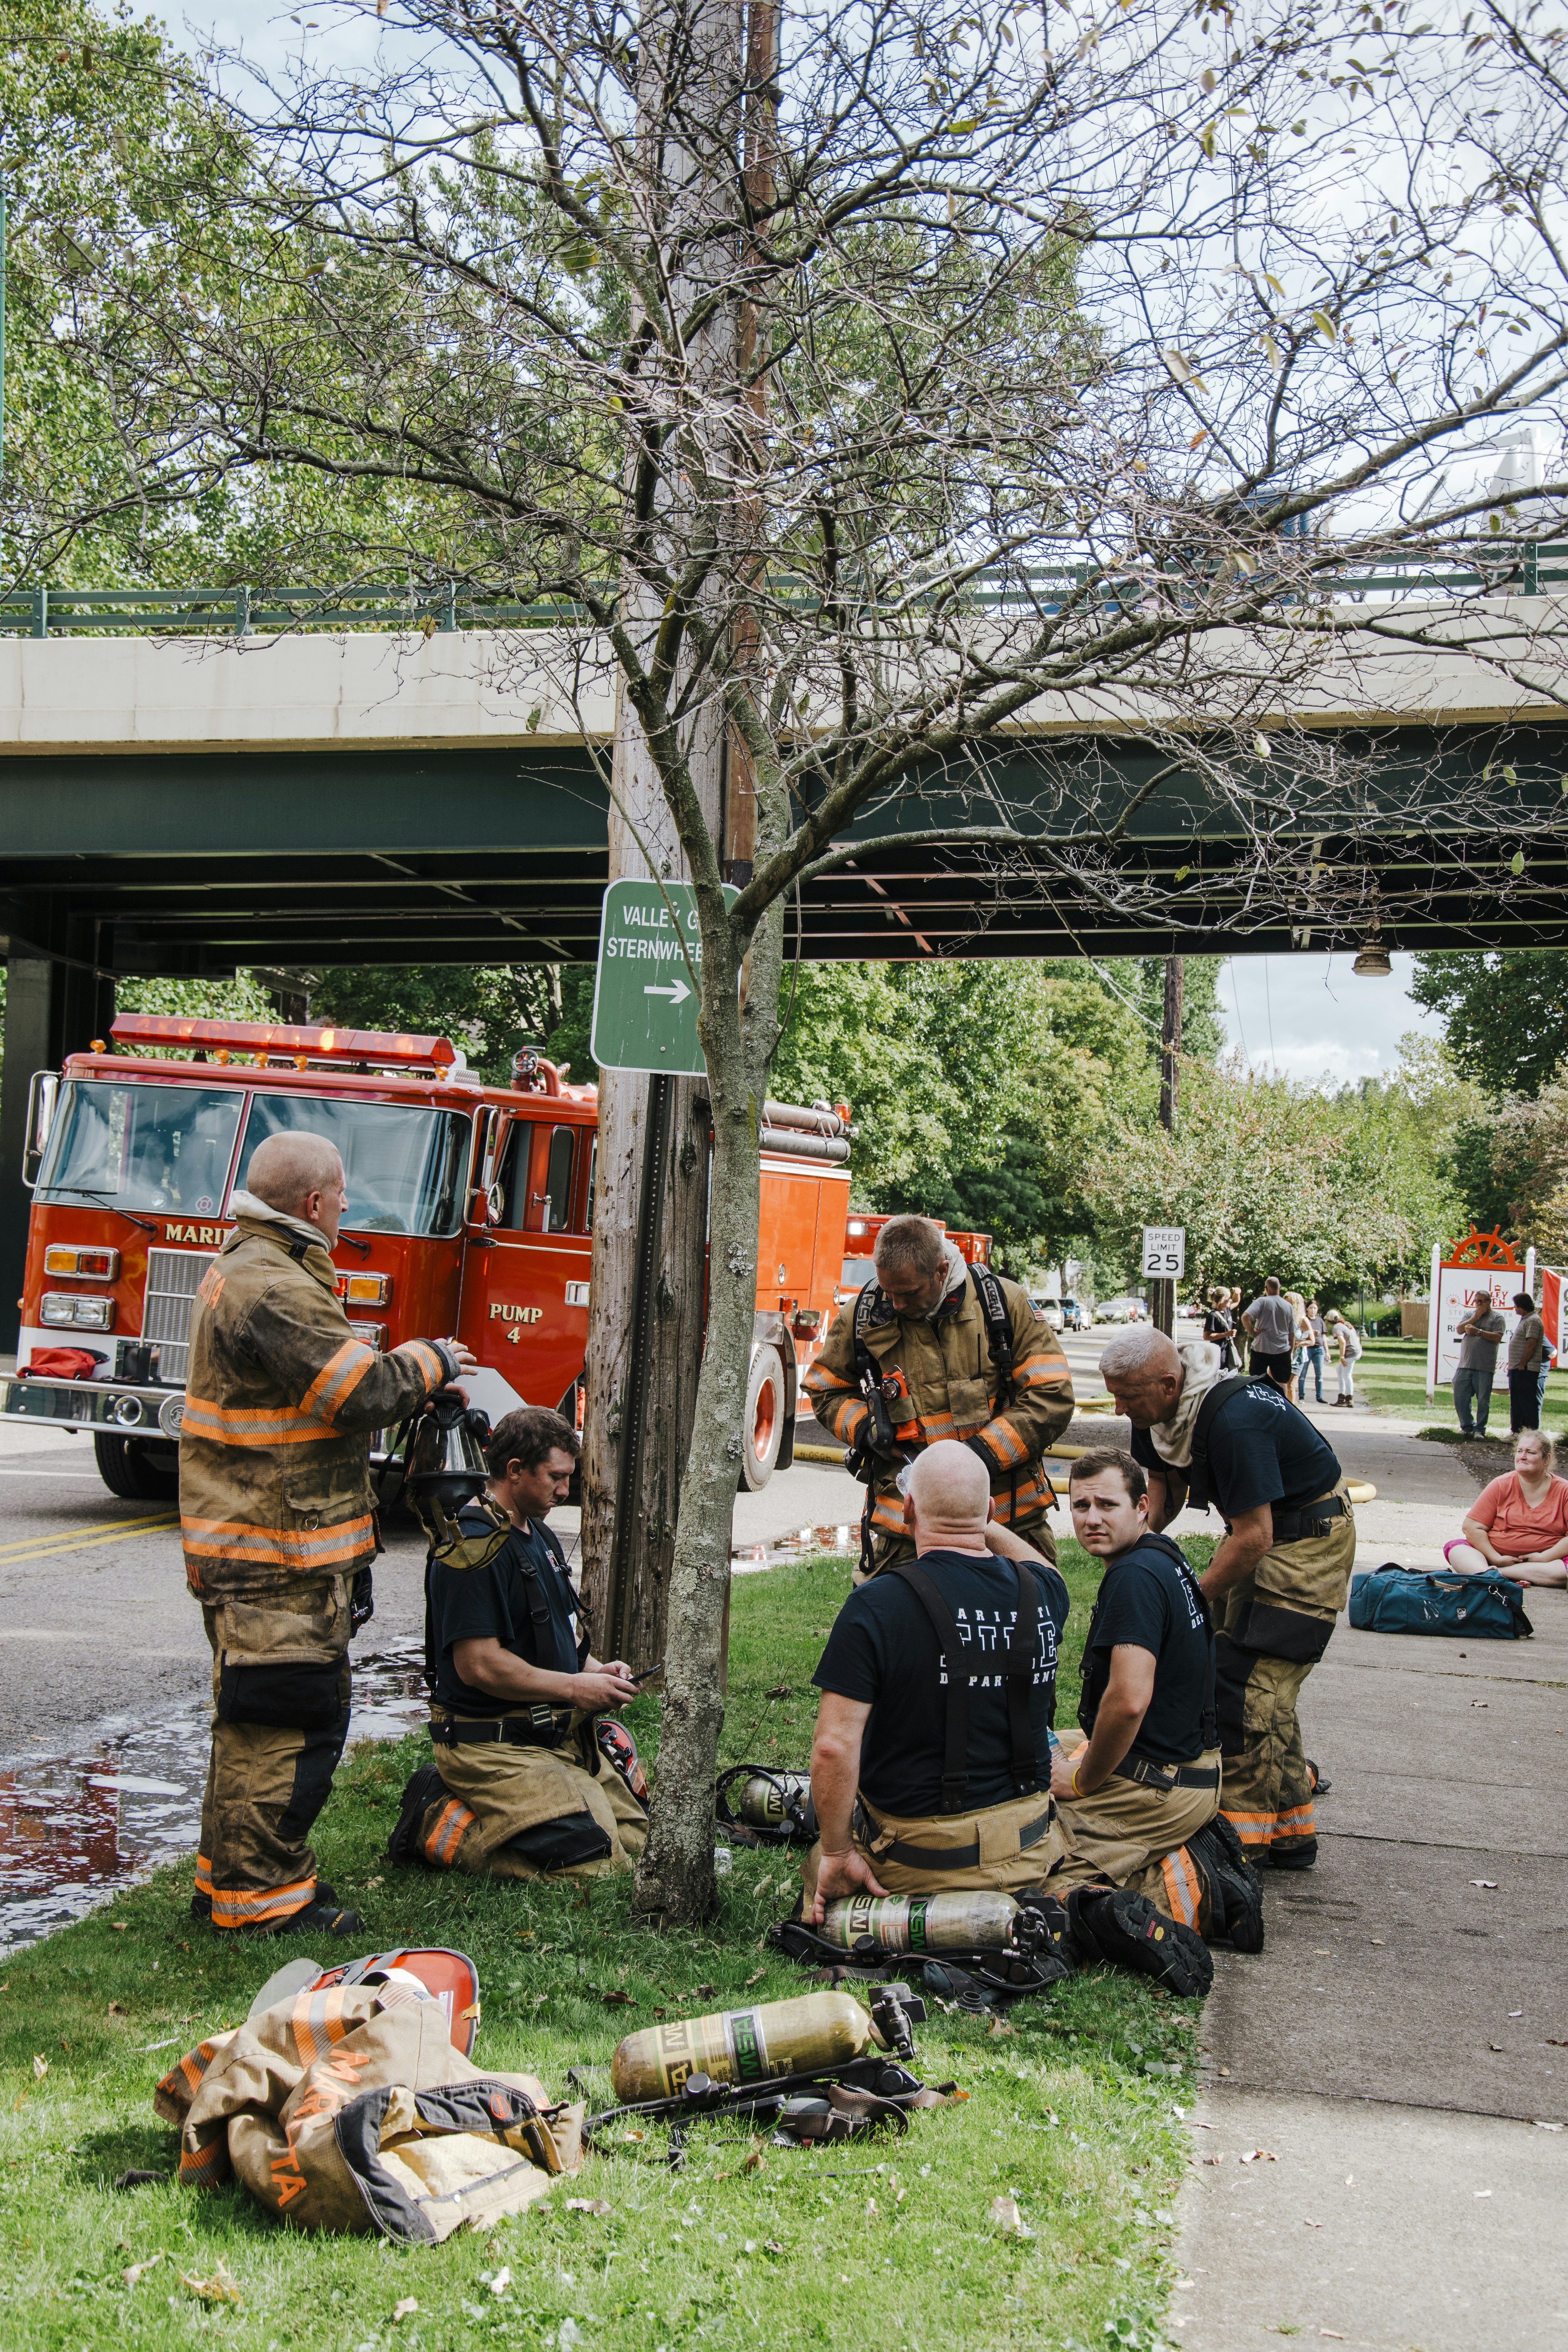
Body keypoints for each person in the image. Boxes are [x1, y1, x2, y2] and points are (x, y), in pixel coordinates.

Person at [181, 1131, 475, 1937]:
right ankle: (264, 1903)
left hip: (265, 1550)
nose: (347, 1208)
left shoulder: (257, 1268)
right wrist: (431, 1361)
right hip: (273, 1557)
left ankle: (228, 1886)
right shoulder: (273, 1286)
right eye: (342, 1196)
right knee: (284, 1726)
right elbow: (359, 1392)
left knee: (252, 1728)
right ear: (313, 1204)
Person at [802, 1440, 1211, 1996]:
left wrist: (835, 1853)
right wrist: (977, 1521)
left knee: (818, 1869)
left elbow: (833, 1747)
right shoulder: (1040, 1592)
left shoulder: (876, 1605)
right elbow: (1042, 1566)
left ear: (909, 1512)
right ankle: (1104, 1895)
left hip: (922, 1857)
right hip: (1028, 1848)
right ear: (991, 1513)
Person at [1098, 1327, 1355, 1871]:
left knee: (1249, 1689)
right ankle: (1290, 1833)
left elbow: (1255, 1536)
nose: (1119, 1408)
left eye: (1128, 1396)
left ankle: (1236, 1852)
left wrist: (1186, 1600)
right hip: (1260, 1531)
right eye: (1113, 1394)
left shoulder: (1235, 1420)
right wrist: (1134, 1562)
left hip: (1308, 1540)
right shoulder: (1155, 1414)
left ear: (1170, 1383)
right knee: (1240, 1673)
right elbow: (1163, 1497)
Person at [393, 1408, 651, 1878]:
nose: (563, 1490)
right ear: (514, 1471)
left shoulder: (539, 1533)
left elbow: (557, 1633)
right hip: (491, 1747)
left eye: (567, 1478)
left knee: (644, 1845)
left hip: (553, 1737)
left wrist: (596, 1671)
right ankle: (432, 1818)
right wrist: (574, 1689)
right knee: (595, 1868)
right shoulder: (470, 1548)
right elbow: (480, 1666)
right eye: (555, 1477)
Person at [1051, 1451, 1263, 1951]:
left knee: (1030, 1863)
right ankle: (1176, 1852)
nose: (1091, 1518)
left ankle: (1200, 1890)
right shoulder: (1158, 1555)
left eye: (1107, 1504)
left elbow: (1127, 1701)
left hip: (1162, 1784)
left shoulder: (1134, 1580)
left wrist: (1082, 1780)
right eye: (1080, 1506)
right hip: (1184, 1765)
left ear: (1142, 1505)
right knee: (1018, 1757)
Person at [804, 1214, 1073, 1579]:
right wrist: (869, 1429)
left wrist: (975, 1459)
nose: (896, 1304)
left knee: (1018, 1632)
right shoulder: (864, 1315)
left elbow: (1051, 1395)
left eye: (909, 1293)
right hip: (906, 1534)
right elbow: (825, 1389)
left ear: (941, 1270)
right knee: (900, 1634)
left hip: (1008, 1523)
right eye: (889, 1291)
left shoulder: (1003, 1305)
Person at [1443, 1429, 1568, 1587]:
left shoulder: (1564, 1490)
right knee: (1456, 1549)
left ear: (1546, 1459)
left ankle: (1494, 1575)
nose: (1522, 1456)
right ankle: (1491, 1572)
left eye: (1530, 1452)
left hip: (1546, 1563)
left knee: (1565, 1571)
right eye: (1520, 1451)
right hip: (1495, 1558)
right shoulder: (1501, 1484)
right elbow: (1472, 1527)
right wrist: (1496, 1558)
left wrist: (1544, 1557)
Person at [1452, 1294, 1506, 1438]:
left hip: (1484, 1366)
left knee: (1483, 1400)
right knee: (1460, 1395)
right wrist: (1476, 1317)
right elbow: (1459, 1330)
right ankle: (1467, 1426)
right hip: (1465, 1363)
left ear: (1490, 1302)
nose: (1479, 1304)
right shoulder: (1470, 1315)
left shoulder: (1497, 1318)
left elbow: (1497, 1337)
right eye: (1477, 1301)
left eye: (1483, 1301)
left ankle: (1479, 1430)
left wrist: (1478, 1332)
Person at [1240, 1278, 1295, 1390]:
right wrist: (1291, 1351)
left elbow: (1245, 1317)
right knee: (1282, 1382)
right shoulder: (1288, 1306)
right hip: (1282, 1350)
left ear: (1266, 1288)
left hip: (1261, 1348)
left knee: (1256, 1380)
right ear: (1280, 1287)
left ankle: (1258, 1403)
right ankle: (1282, 1405)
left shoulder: (1262, 1302)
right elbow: (1292, 1333)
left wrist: (1252, 1333)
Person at [1507, 1291, 1546, 1434]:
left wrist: (1523, 1364)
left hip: (1526, 1369)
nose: (1515, 1309)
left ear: (1522, 1307)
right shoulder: (1526, 1319)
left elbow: (1531, 1344)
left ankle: (1530, 1433)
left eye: (1516, 1306)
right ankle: (1518, 1431)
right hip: (1518, 1368)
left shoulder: (1533, 1321)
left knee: (1526, 1402)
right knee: (1517, 1402)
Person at [1327, 1311, 1362, 1408]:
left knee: (1347, 1375)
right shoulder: (1346, 1324)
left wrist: (1342, 1357)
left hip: (1351, 1353)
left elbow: (1342, 1342)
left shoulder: (1337, 1327)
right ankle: (1342, 1397)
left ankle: (1349, 1399)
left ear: (1329, 1320)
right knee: (1339, 1371)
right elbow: (1357, 1339)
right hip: (1357, 1351)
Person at [1296, 1300, 1327, 1405]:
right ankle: (1301, 1396)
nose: (1313, 1310)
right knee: (1303, 1373)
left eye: (1315, 1308)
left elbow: (1324, 1336)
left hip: (1319, 1349)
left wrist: (1327, 1351)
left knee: (1319, 1374)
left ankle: (1320, 1397)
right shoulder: (1304, 1320)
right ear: (1307, 1309)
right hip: (1308, 1349)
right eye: (1311, 1308)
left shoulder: (1320, 1321)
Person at [1203, 1289, 1237, 1370]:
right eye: (1228, 1298)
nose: (1230, 1300)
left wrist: (1237, 1293)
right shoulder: (1213, 1316)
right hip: (1219, 1353)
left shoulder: (1227, 1310)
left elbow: (1236, 1301)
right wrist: (1226, 1334)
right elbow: (1207, 1336)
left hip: (1228, 1351)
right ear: (1222, 1300)